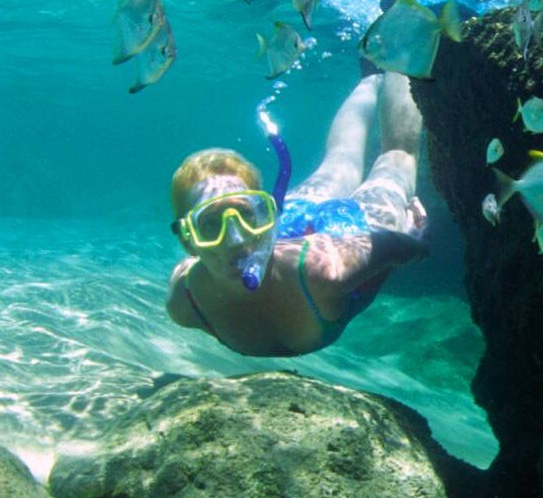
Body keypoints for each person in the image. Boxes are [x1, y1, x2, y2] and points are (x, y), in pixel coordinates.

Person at [166, 72, 429, 356]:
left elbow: (394, 246)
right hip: (295, 244)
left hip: (345, 233)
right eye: (209, 225)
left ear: (268, 214)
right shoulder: (185, 303)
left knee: (392, 156)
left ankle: (389, 64)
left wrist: (414, 241)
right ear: (188, 241)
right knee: (345, 160)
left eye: (244, 214)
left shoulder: (326, 272)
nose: (236, 239)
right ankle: (377, 74)